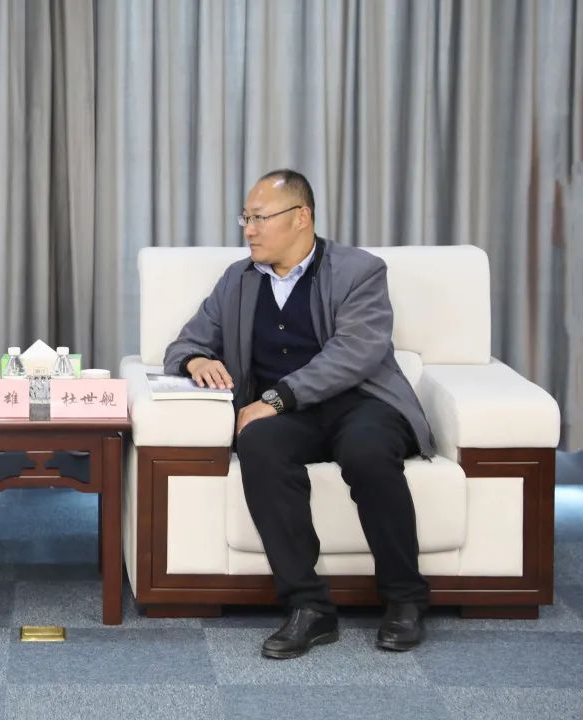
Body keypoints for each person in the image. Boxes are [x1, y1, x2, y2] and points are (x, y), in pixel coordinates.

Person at [164, 169, 434, 659]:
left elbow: (356, 353)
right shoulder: (238, 279)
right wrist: (196, 360)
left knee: (368, 451)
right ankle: (308, 606)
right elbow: (186, 342)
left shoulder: (359, 271)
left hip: (362, 402)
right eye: (245, 219)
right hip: (290, 417)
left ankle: (404, 598)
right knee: (258, 443)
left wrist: (275, 399)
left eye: (259, 218)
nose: (249, 230)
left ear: (301, 217)